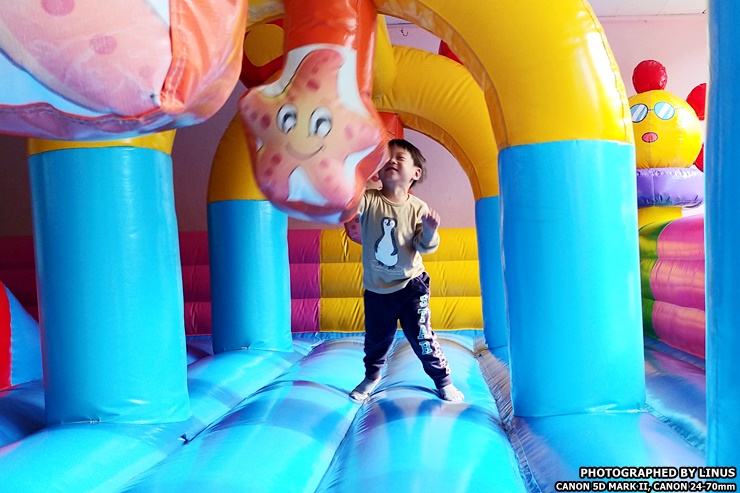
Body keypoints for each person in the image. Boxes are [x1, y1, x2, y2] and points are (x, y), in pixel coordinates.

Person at [347, 138, 465, 402]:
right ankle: (371, 377)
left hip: (411, 286)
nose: (391, 161)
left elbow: (424, 246)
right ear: (377, 173)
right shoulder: (369, 200)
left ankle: (443, 380)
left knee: (422, 337)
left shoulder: (417, 207)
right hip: (377, 289)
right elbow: (351, 204)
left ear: (415, 173)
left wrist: (430, 231)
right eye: (385, 159)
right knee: (376, 341)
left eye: (399, 158)